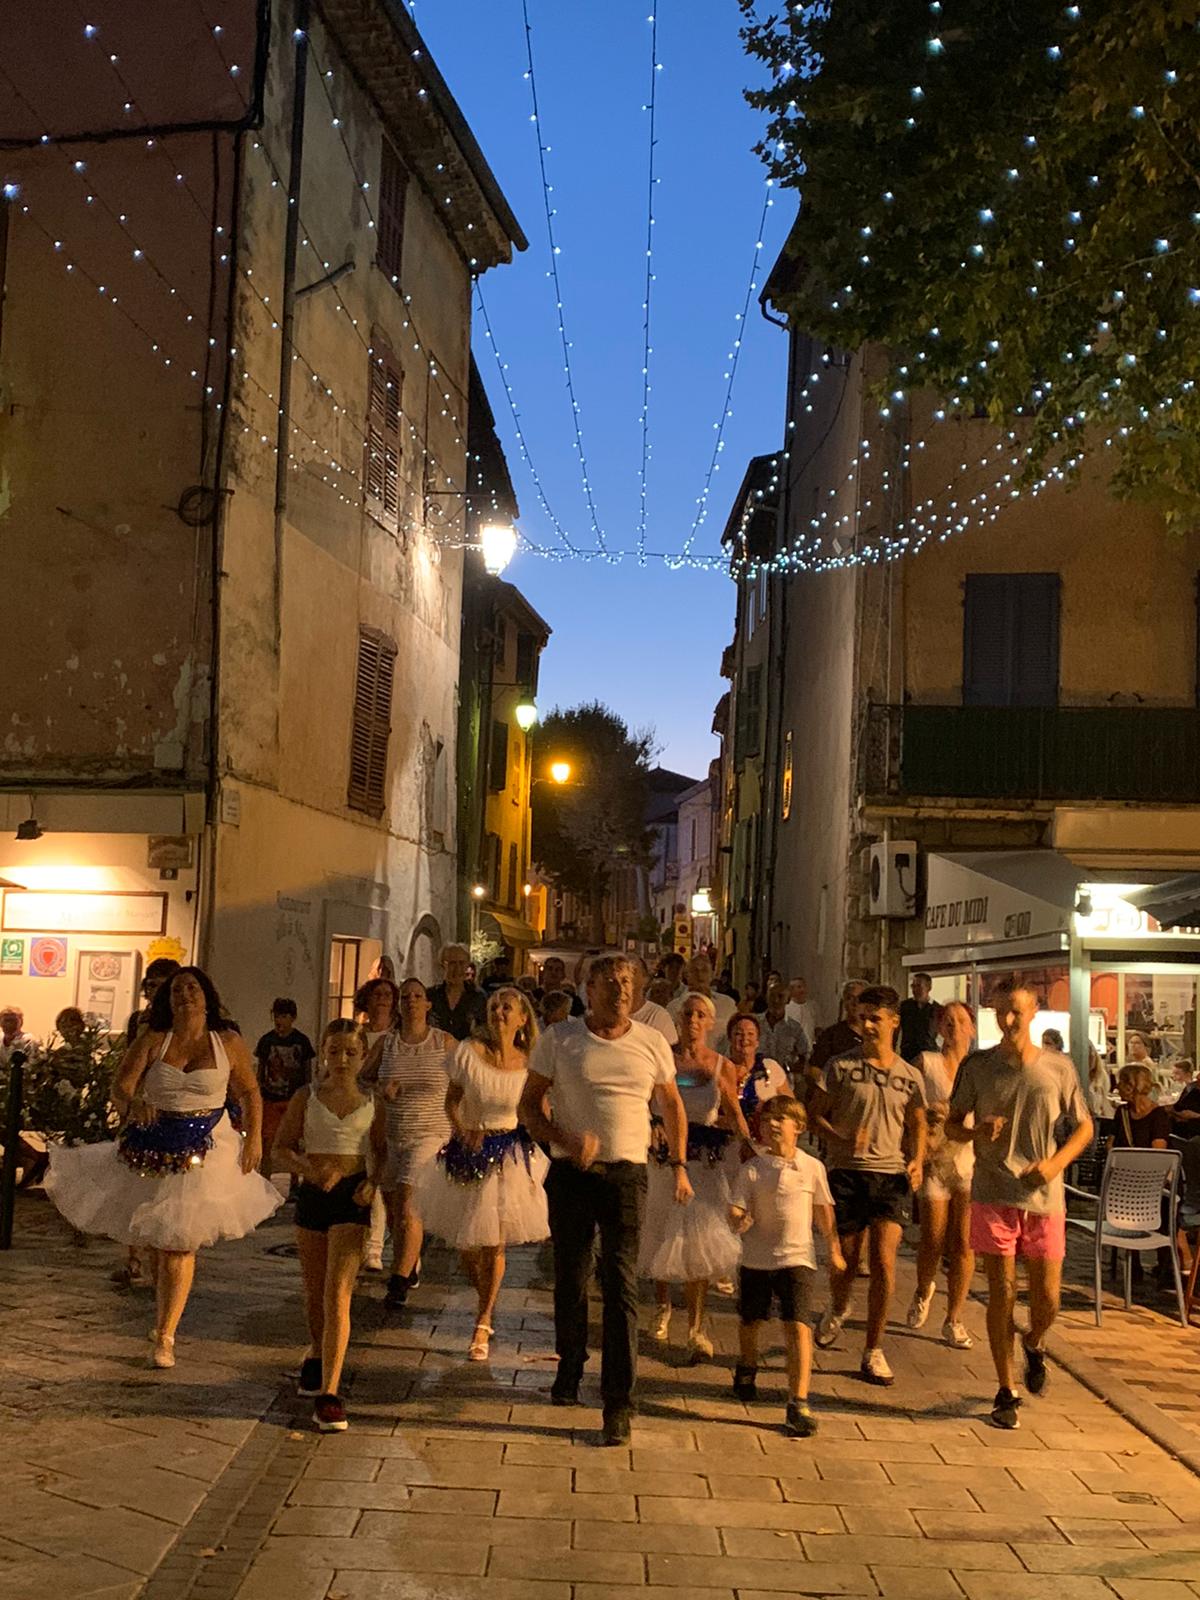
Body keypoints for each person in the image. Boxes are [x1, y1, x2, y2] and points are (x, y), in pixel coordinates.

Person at [44, 967, 282, 1370]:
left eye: (192, 988)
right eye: (176, 991)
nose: (185, 995)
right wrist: (134, 1103)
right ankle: (163, 1313)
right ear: (167, 1001)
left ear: (206, 996)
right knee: (161, 1242)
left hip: (206, 1148)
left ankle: (166, 1333)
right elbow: (121, 1086)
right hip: (154, 1147)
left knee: (179, 1242)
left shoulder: (227, 1042)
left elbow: (248, 1090)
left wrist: (255, 1137)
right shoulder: (154, 1039)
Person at [520, 954, 693, 1445]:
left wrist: (679, 1162)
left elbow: (672, 1104)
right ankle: (571, 1363)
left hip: (626, 1174)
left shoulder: (651, 1042)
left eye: (627, 982)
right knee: (571, 1277)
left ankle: (618, 1401)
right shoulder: (561, 1039)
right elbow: (529, 1106)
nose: (620, 990)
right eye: (610, 982)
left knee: (621, 1285)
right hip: (572, 1174)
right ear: (588, 989)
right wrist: (565, 1138)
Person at [946, 980, 1093, 1431]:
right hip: (993, 1190)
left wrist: (1055, 1164)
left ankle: (1034, 1341)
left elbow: (1084, 1126)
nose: (1008, 1021)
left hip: (1044, 1196)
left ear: (1033, 1013)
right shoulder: (978, 1067)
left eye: (1016, 1012)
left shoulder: (1057, 1067)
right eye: (1000, 1012)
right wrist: (976, 1132)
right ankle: (1006, 1388)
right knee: (1002, 1291)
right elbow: (952, 1125)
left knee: (1047, 1299)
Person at [417, 988, 549, 1360]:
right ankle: (483, 1297)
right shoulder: (468, 1053)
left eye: (507, 1007)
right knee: (467, 1245)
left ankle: (483, 1319)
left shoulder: (531, 1062)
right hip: (469, 1150)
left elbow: (537, 1108)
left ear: (522, 1018)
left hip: (508, 1154)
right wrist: (462, 1131)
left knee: (494, 1242)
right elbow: (451, 1101)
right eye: (494, 1007)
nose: (499, 1013)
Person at [271, 1019, 385, 1431]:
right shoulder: (307, 1097)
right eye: (335, 1051)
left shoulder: (373, 1101)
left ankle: (331, 1393)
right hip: (315, 1193)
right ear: (323, 1052)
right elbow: (280, 1148)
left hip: (352, 1196)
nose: (342, 1060)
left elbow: (382, 1152)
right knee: (315, 1289)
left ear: (363, 1056)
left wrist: (372, 1183)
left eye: (351, 1052)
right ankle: (317, 1353)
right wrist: (310, 1170)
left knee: (338, 1292)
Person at [811, 985, 926, 1386]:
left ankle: (873, 1349)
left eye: (876, 1018)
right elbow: (814, 1116)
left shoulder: (909, 1075)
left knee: (883, 1261)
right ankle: (839, 1304)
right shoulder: (840, 1067)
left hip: (890, 1176)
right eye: (863, 1018)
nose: (868, 1025)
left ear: (894, 1021)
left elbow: (918, 1121)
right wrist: (840, 1137)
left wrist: (918, 1158)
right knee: (845, 1260)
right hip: (847, 1173)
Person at [641, 994, 749, 1358]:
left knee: (699, 1237)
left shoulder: (721, 1066)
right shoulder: (662, 1058)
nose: (693, 1020)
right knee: (661, 1229)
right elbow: (644, 1100)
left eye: (700, 1015)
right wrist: (652, 1125)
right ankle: (662, 1304)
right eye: (687, 1013)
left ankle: (696, 1326)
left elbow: (734, 1112)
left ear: (710, 1023)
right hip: (664, 1157)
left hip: (705, 1160)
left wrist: (750, 1150)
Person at [729, 1094, 843, 1437]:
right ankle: (747, 1365)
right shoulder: (753, 1169)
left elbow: (823, 1211)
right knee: (751, 1320)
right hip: (757, 1258)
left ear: (799, 1127)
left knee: (798, 1325)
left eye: (781, 1119)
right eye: (767, 1120)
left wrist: (833, 1249)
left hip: (798, 1258)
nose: (772, 1125)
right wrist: (739, 1219)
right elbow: (736, 1208)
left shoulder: (811, 1167)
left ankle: (798, 1400)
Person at [361, 978, 452, 1310]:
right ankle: (410, 1264)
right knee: (394, 1209)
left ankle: (398, 1282)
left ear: (428, 1004)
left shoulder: (443, 1042)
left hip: (430, 1133)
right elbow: (361, 1078)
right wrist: (380, 1088)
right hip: (392, 1133)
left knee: (408, 1204)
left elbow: (467, 1077)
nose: (411, 1001)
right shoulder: (388, 1043)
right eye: (406, 997)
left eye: (418, 996)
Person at [907, 1001, 977, 1350]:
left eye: (961, 1021)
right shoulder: (927, 1062)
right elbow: (910, 1105)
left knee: (964, 1241)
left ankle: (954, 1318)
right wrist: (926, 1118)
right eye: (947, 1021)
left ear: (972, 1029)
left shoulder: (979, 1067)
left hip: (968, 1159)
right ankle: (923, 1289)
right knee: (933, 1238)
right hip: (935, 1158)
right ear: (939, 1028)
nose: (954, 1026)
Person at [354, 977, 399, 1271]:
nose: (382, 1000)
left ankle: (375, 1248)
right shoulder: (355, 1034)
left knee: (380, 1179)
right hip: (355, 1113)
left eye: (387, 995)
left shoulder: (395, 1039)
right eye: (376, 994)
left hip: (384, 1114)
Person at [253, 999, 316, 1177]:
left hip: (293, 1098)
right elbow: (261, 1069)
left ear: (292, 1018)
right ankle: (265, 1178)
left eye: (283, 1016)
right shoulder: (267, 1041)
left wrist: (307, 1097)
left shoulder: (301, 1041)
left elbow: (307, 1071)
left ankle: (295, 1181)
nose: (279, 1021)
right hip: (271, 1098)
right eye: (276, 1016)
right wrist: (258, 1092)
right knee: (268, 1139)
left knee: (293, 1141)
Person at [726, 1013, 790, 1144]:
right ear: (730, 1039)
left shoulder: (770, 1067)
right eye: (738, 1034)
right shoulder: (721, 1070)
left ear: (757, 1041)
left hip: (767, 1143)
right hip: (729, 1142)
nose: (745, 1038)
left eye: (750, 1034)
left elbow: (790, 1108)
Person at [427, 944, 488, 1039]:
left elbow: (485, 1029)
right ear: (442, 965)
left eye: (462, 963)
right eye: (452, 963)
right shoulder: (430, 996)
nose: (457, 968)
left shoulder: (479, 997)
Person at [669, 955, 737, 1035]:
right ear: (687, 975)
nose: (700, 975)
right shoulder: (674, 1007)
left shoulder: (727, 1004)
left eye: (704, 970)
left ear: (712, 974)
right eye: (695, 970)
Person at [809, 980, 867, 1072]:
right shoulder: (831, 1035)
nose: (855, 1003)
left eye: (860, 999)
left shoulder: (875, 1034)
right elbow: (815, 1068)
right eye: (850, 998)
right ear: (844, 1003)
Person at [125, 958, 183, 1044]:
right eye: (152, 985)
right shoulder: (138, 1019)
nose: (157, 991)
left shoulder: (185, 1018)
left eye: (164, 986)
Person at [628, 954, 678, 1045]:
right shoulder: (606, 1016)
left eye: (633, 971)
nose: (627, 977)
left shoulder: (659, 1017)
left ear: (645, 979)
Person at [759, 983, 808, 1076]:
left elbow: (805, 1055)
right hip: (756, 1080)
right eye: (772, 996)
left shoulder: (795, 1028)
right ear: (766, 998)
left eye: (780, 996)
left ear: (788, 1000)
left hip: (784, 1080)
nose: (776, 1000)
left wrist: (792, 1069)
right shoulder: (754, 1025)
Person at [898, 972, 940, 1062]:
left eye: (918, 986)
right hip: (907, 1056)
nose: (915, 990)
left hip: (929, 1057)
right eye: (913, 986)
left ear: (929, 987)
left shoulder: (937, 1009)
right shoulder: (905, 1006)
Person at [1171, 1060, 1200, 1137]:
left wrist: (1196, 1115)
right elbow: (1179, 1107)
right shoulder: (1192, 1088)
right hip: (1185, 1125)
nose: (1197, 1076)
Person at [785, 978, 816, 1048]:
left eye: (804, 986)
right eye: (799, 987)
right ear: (791, 990)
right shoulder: (786, 1009)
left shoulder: (812, 1006)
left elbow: (817, 1026)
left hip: (810, 1047)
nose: (802, 989)